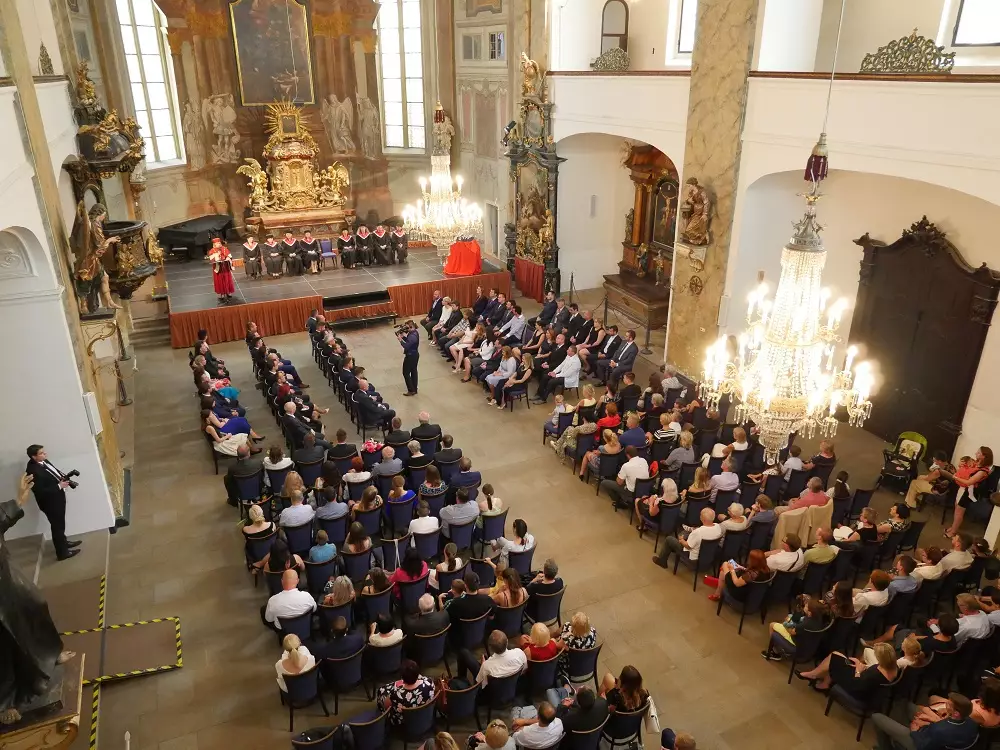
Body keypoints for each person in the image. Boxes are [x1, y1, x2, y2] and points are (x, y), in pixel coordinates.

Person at [25, 445, 81, 560]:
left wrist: (62, 478)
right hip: (50, 503)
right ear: (34, 457)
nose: (45, 454)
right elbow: (40, 491)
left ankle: (64, 543)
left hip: (58, 498)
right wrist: (59, 486)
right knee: (57, 526)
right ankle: (62, 553)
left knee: (60, 524)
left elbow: (53, 472)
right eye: (41, 453)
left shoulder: (44, 461)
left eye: (43, 452)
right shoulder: (32, 471)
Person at [872, 692, 978, 750]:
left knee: (876, 717)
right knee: (908, 706)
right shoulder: (972, 723)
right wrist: (930, 722)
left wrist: (914, 731)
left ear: (956, 713)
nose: (945, 705)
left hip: (919, 742)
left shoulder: (939, 730)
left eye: (948, 705)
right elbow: (944, 730)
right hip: (933, 735)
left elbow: (922, 746)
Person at [941, 446, 994, 537]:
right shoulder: (976, 463)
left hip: (968, 492)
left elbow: (969, 482)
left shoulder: (982, 471)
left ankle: (953, 532)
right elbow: (965, 469)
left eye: (978, 453)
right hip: (962, 488)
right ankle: (953, 527)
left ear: (984, 456)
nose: (976, 453)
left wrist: (954, 477)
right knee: (957, 508)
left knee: (959, 512)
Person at [652, 507, 720, 569]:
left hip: (694, 560)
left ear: (703, 519)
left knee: (669, 539)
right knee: (686, 534)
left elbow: (688, 546)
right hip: (708, 557)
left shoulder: (698, 532)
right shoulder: (718, 527)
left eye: (700, 515)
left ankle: (662, 561)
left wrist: (681, 540)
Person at [375, 659, 435, 726]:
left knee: (381, 691)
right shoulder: (429, 683)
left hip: (404, 723)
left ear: (402, 678)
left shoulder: (396, 694)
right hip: (425, 716)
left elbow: (386, 706)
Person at [458, 629, 527, 685]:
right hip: (512, 687)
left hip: (491, 694)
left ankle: (461, 682)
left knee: (463, 653)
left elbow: (480, 684)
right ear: (507, 641)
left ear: (491, 648)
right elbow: (524, 670)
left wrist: (482, 666)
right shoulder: (519, 653)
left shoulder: (487, 666)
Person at [707, 549, 773, 603]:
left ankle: (717, 593)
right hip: (751, 592)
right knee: (724, 570)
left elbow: (737, 583)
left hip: (740, 594)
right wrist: (742, 568)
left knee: (725, 564)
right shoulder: (765, 569)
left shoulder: (750, 575)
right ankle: (718, 591)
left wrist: (732, 570)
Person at [208, 237, 235, 304]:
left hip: (225, 268)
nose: (219, 244)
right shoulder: (212, 251)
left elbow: (229, 256)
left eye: (219, 243)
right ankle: (222, 293)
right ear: (214, 244)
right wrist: (216, 255)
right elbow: (211, 259)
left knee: (227, 280)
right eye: (217, 243)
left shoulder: (224, 249)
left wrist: (228, 258)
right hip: (218, 269)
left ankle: (228, 292)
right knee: (220, 281)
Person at [399, 320, 421, 396]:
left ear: (411, 327)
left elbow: (407, 346)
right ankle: (414, 388)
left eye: (407, 328)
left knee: (406, 373)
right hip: (414, 355)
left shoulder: (412, 336)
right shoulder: (414, 333)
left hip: (410, 356)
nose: (406, 329)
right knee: (414, 371)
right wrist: (404, 337)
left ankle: (411, 390)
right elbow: (409, 342)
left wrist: (400, 340)